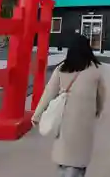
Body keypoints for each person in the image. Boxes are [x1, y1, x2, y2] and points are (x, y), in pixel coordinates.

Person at [32, 34, 106, 177]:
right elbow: (101, 94)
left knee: (64, 156)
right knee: (79, 160)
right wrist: (98, 110)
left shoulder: (62, 68)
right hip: (84, 122)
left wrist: (37, 115)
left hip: (64, 118)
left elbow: (49, 93)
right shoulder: (95, 69)